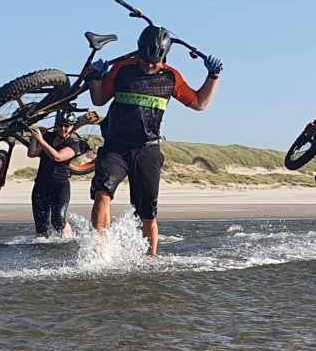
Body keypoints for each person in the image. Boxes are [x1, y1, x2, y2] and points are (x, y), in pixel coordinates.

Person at [85, 25, 223, 256]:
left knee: (147, 215)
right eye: (145, 59)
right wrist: (96, 79)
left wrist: (213, 75)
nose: (149, 65)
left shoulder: (171, 77)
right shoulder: (121, 69)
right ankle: (100, 255)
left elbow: (199, 103)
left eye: (154, 61)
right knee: (102, 194)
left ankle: (151, 260)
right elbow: (99, 100)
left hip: (147, 150)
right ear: (138, 51)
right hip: (116, 147)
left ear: (164, 57)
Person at [24, 112, 92, 239]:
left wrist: (40, 140)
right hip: (41, 184)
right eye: (60, 125)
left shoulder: (73, 144)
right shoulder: (48, 137)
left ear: (72, 127)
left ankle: (68, 242)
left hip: (60, 186)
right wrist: (36, 138)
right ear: (56, 125)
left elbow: (57, 156)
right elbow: (32, 153)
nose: (63, 129)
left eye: (67, 126)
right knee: (40, 224)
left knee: (58, 221)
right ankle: (42, 249)